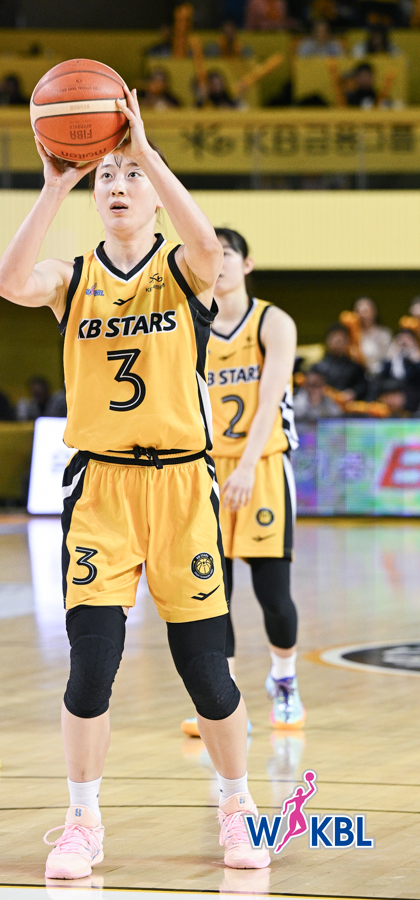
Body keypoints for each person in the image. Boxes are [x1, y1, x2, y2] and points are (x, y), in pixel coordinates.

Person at [0, 90, 269, 874]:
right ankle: (82, 820)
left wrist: (146, 149)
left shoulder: (182, 269)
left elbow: (208, 246)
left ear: (152, 191)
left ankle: (238, 805)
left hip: (181, 489)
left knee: (206, 671)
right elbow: (9, 282)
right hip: (101, 492)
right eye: (106, 175)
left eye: (130, 175)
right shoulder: (72, 277)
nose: (116, 184)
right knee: (91, 667)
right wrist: (55, 185)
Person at [180, 229, 304, 739]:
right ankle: (224, 701)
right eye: (214, 255)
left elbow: (271, 399)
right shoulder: (192, 323)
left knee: (273, 595)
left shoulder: (273, 322)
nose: (222, 263)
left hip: (264, 466)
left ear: (247, 264)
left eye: (229, 253)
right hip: (208, 469)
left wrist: (248, 466)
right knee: (215, 594)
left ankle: (285, 680)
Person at [314, 323, 368, 399]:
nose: (338, 343)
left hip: (348, 404)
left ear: (347, 342)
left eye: (341, 340)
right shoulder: (318, 368)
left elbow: (363, 386)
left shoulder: (356, 368)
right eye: (334, 339)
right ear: (327, 342)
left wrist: (353, 392)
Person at [351, 296, 391, 374]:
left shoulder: (384, 334)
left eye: (365, 311)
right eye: (358, 312)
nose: (362, 315)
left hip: (379, 374)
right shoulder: (351, 335)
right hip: (356, 374)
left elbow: (388, 358)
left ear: (374, 311)